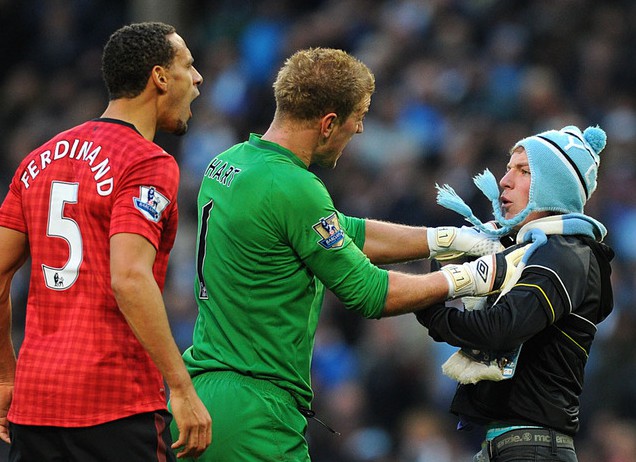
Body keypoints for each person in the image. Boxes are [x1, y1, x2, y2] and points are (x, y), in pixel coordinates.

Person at [170, 47, 527, 461]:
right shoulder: (295, 188)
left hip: (201, 398)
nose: (359, 130)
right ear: (328, 124)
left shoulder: (228, 165)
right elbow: (369, 292)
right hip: (256, 410)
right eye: (358, 116)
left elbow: (343, 231)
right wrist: (473, 276)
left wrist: (446, 238)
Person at [0, 22, 211, 461]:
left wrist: (5, 377)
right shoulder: (148, 162)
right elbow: (130, 277)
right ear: (159, 77)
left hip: (35, 407)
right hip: (116, 405)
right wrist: (181, 387)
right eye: (188, 66)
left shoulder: (37, 160)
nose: (197, 79)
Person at [416, 125, 614, 461]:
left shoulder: (566, 253)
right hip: (508, 446)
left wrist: (428, 307)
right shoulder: (524, 252)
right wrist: (456, 251)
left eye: (523, 171)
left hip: (533, 448)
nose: (504, 180)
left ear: (553, 188)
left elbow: (500, 328)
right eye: (508, 168)